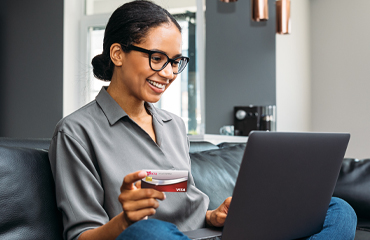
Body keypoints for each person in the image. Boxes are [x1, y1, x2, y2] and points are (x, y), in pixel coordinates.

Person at [49, 1, 357, 240]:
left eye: (175, 62)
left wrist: (212, 215)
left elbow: (182, 198)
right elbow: (82, 236)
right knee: (149, 232)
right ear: (118, 54)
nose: (169, 73)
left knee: (338, 209)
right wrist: (125, 221)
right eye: (157, 58)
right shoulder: (76, 132)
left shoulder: (173, 125)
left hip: (206, 236)